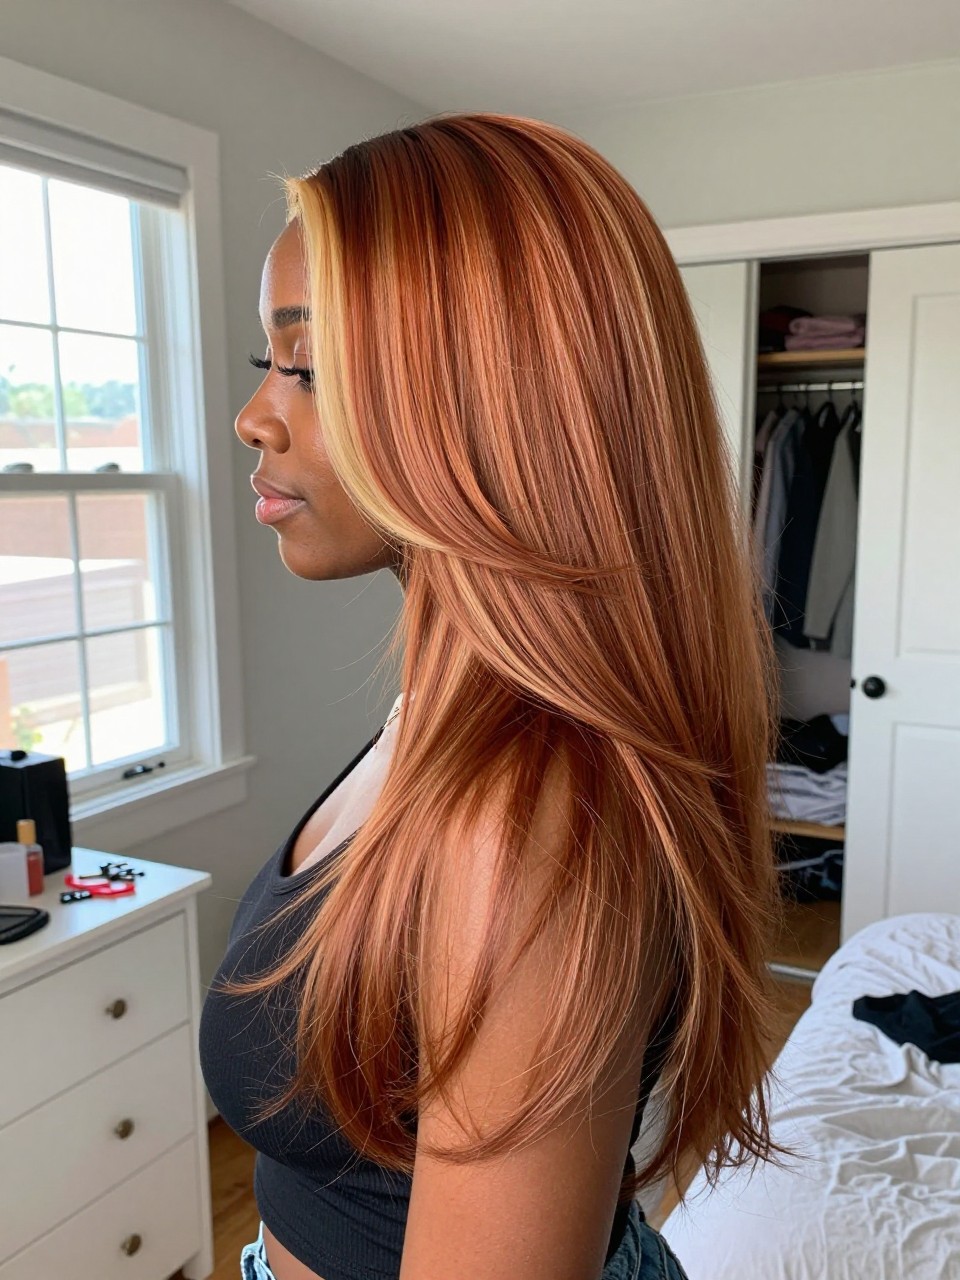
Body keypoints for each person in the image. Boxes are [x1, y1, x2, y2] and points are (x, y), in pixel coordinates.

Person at [199, 111, 786, 1280]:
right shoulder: (449, 706)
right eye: (265, 363)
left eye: (306, 366)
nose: (255, 414)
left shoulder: (524, 829)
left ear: (484, 403)